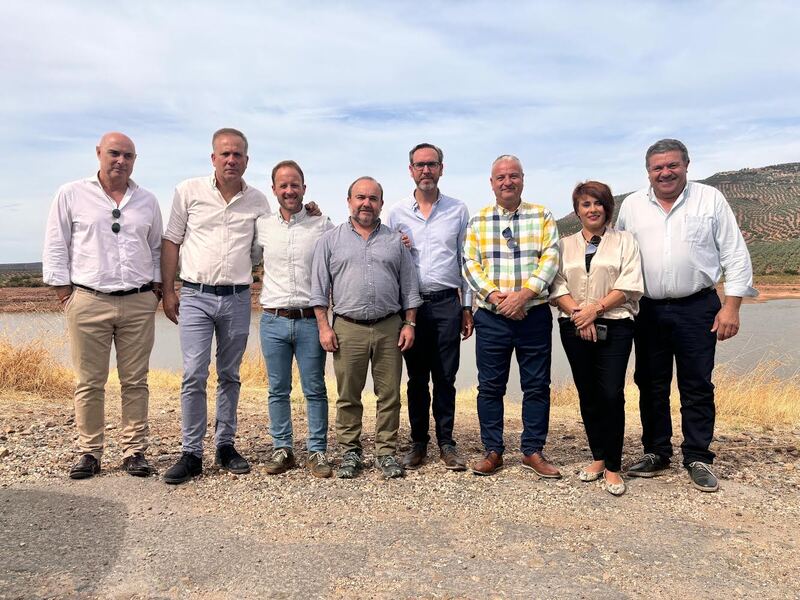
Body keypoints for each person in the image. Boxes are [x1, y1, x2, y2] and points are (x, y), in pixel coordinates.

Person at [617, 138, 758, 493]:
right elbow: (617, 254)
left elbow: (735, 254)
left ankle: (697, 456)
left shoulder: (710, 200)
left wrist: (732, 305)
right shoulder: (632, 206)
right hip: (646, 309)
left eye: (672, 165)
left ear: (686, 166)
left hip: (698, 306)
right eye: (657, 167)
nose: (665, 172)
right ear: (648, 171)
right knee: (650, 384)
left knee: (697, 384)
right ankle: (656, 452)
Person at [43, 132, 163, 479]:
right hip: (88, 299)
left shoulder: (147, 200)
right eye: (114, 153)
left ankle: (133, 450)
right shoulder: (71, 194)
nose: (120, 161)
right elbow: (56, 241)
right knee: (89, 382)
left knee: (136, 381)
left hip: (138, 301)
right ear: (99, 153)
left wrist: (155, 290)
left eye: (128, 155)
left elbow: (155, 248)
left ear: (134, 160)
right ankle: (89, 451)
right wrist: (64, 293)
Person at [160, 127, 268, 485]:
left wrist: (311, 212)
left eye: (237, 154)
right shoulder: (188, 191)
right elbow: (172, 241)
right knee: (194, 373)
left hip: (237, 297)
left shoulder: (258, 201)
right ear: (213, 158)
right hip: (195, 294)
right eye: (225, 154)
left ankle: (225, 445)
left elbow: (270, 241)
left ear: (246, 160)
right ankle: (191, 452)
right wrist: (168, 291)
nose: (231, 160)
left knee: (230, 374)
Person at [310, 176, 422, 479]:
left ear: (381, 204)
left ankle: (386, 453)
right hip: (348, 328)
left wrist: (409, 323)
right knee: (349, 395)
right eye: (360, 197)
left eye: (373, 198)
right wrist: (324, 327)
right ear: (349, 201)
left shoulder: (395, 242)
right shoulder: (330, 241)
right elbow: (319, 290)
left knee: (389, 396)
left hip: (389, 326)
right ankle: (350, 452)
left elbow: (409, 288)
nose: (366, 203)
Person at [463, 155, 561, 477]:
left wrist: (524, 295)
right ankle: (493, 450)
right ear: (491, 183)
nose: (508, 182)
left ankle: (532, 450)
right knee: (490, 387)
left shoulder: (542, 215)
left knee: (537, 386)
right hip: (492, 318)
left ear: (523, 179)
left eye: (513, 176)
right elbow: (470, 264)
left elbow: (551, 258)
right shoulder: (478, 221)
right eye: (501, 177)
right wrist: (494, 296)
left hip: (533, 315)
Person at [550, 181, 643, 496]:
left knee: (611, 394)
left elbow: (630, 282)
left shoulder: (625, 241)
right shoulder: (564, 245)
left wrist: (596, 309)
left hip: (616, 324)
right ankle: (599, 457)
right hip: (573, 325)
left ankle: (615, 467)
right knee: (588, 394)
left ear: (607, 207)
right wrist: (580, 314)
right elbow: (556, 284)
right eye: (585, 204)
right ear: (577, 210)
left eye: (597, 203)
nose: (592, 209)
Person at [385, 143, 473, 471]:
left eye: (431, 164)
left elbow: (466, 263)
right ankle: (419, 442)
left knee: (446, 377)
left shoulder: (458, 210)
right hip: (411, 308)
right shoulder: (396, 213)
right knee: (417, 378)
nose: (426, 170)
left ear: (441, 168)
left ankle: (447, 442)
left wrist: (467, 308)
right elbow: (388, 256)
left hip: (448, 303)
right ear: (410, 170)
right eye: (420, 165)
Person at [256, 160, 334, 478]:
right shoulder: (262, 225)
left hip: (309, 320)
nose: (289, 190)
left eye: (295, 185)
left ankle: (317, 451)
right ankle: (283, 448)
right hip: (272, 320)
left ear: (304, 188)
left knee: (314, 388)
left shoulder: (322, 224)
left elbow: (346, 250)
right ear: (274, 189)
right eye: (283, 185)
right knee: (278, 389)